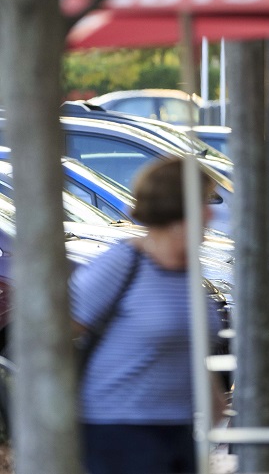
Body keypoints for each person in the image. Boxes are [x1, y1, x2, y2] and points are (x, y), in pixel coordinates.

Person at [71, 157, 224, 474]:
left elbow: (187, 349)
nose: (211, 214)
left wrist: (216, 408)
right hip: (118, 432)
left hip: (178, 430)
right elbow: (54, 333)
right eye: (203, 204)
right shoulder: (124, 264)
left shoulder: (186, 270)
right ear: (177, 210)